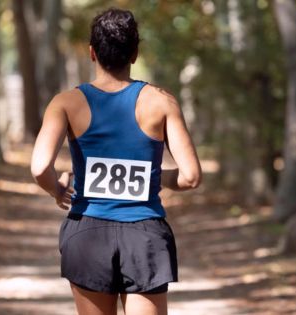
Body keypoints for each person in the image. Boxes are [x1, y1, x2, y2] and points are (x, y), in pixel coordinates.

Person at [30, 7, 201, 315]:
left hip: (87, 232)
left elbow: (40, 167)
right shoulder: (161, 102)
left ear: (92, 52)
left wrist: (57, 190)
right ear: (134, 53)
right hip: (144, 235)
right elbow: (190, 177)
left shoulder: (66, 103)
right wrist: (154, 176)